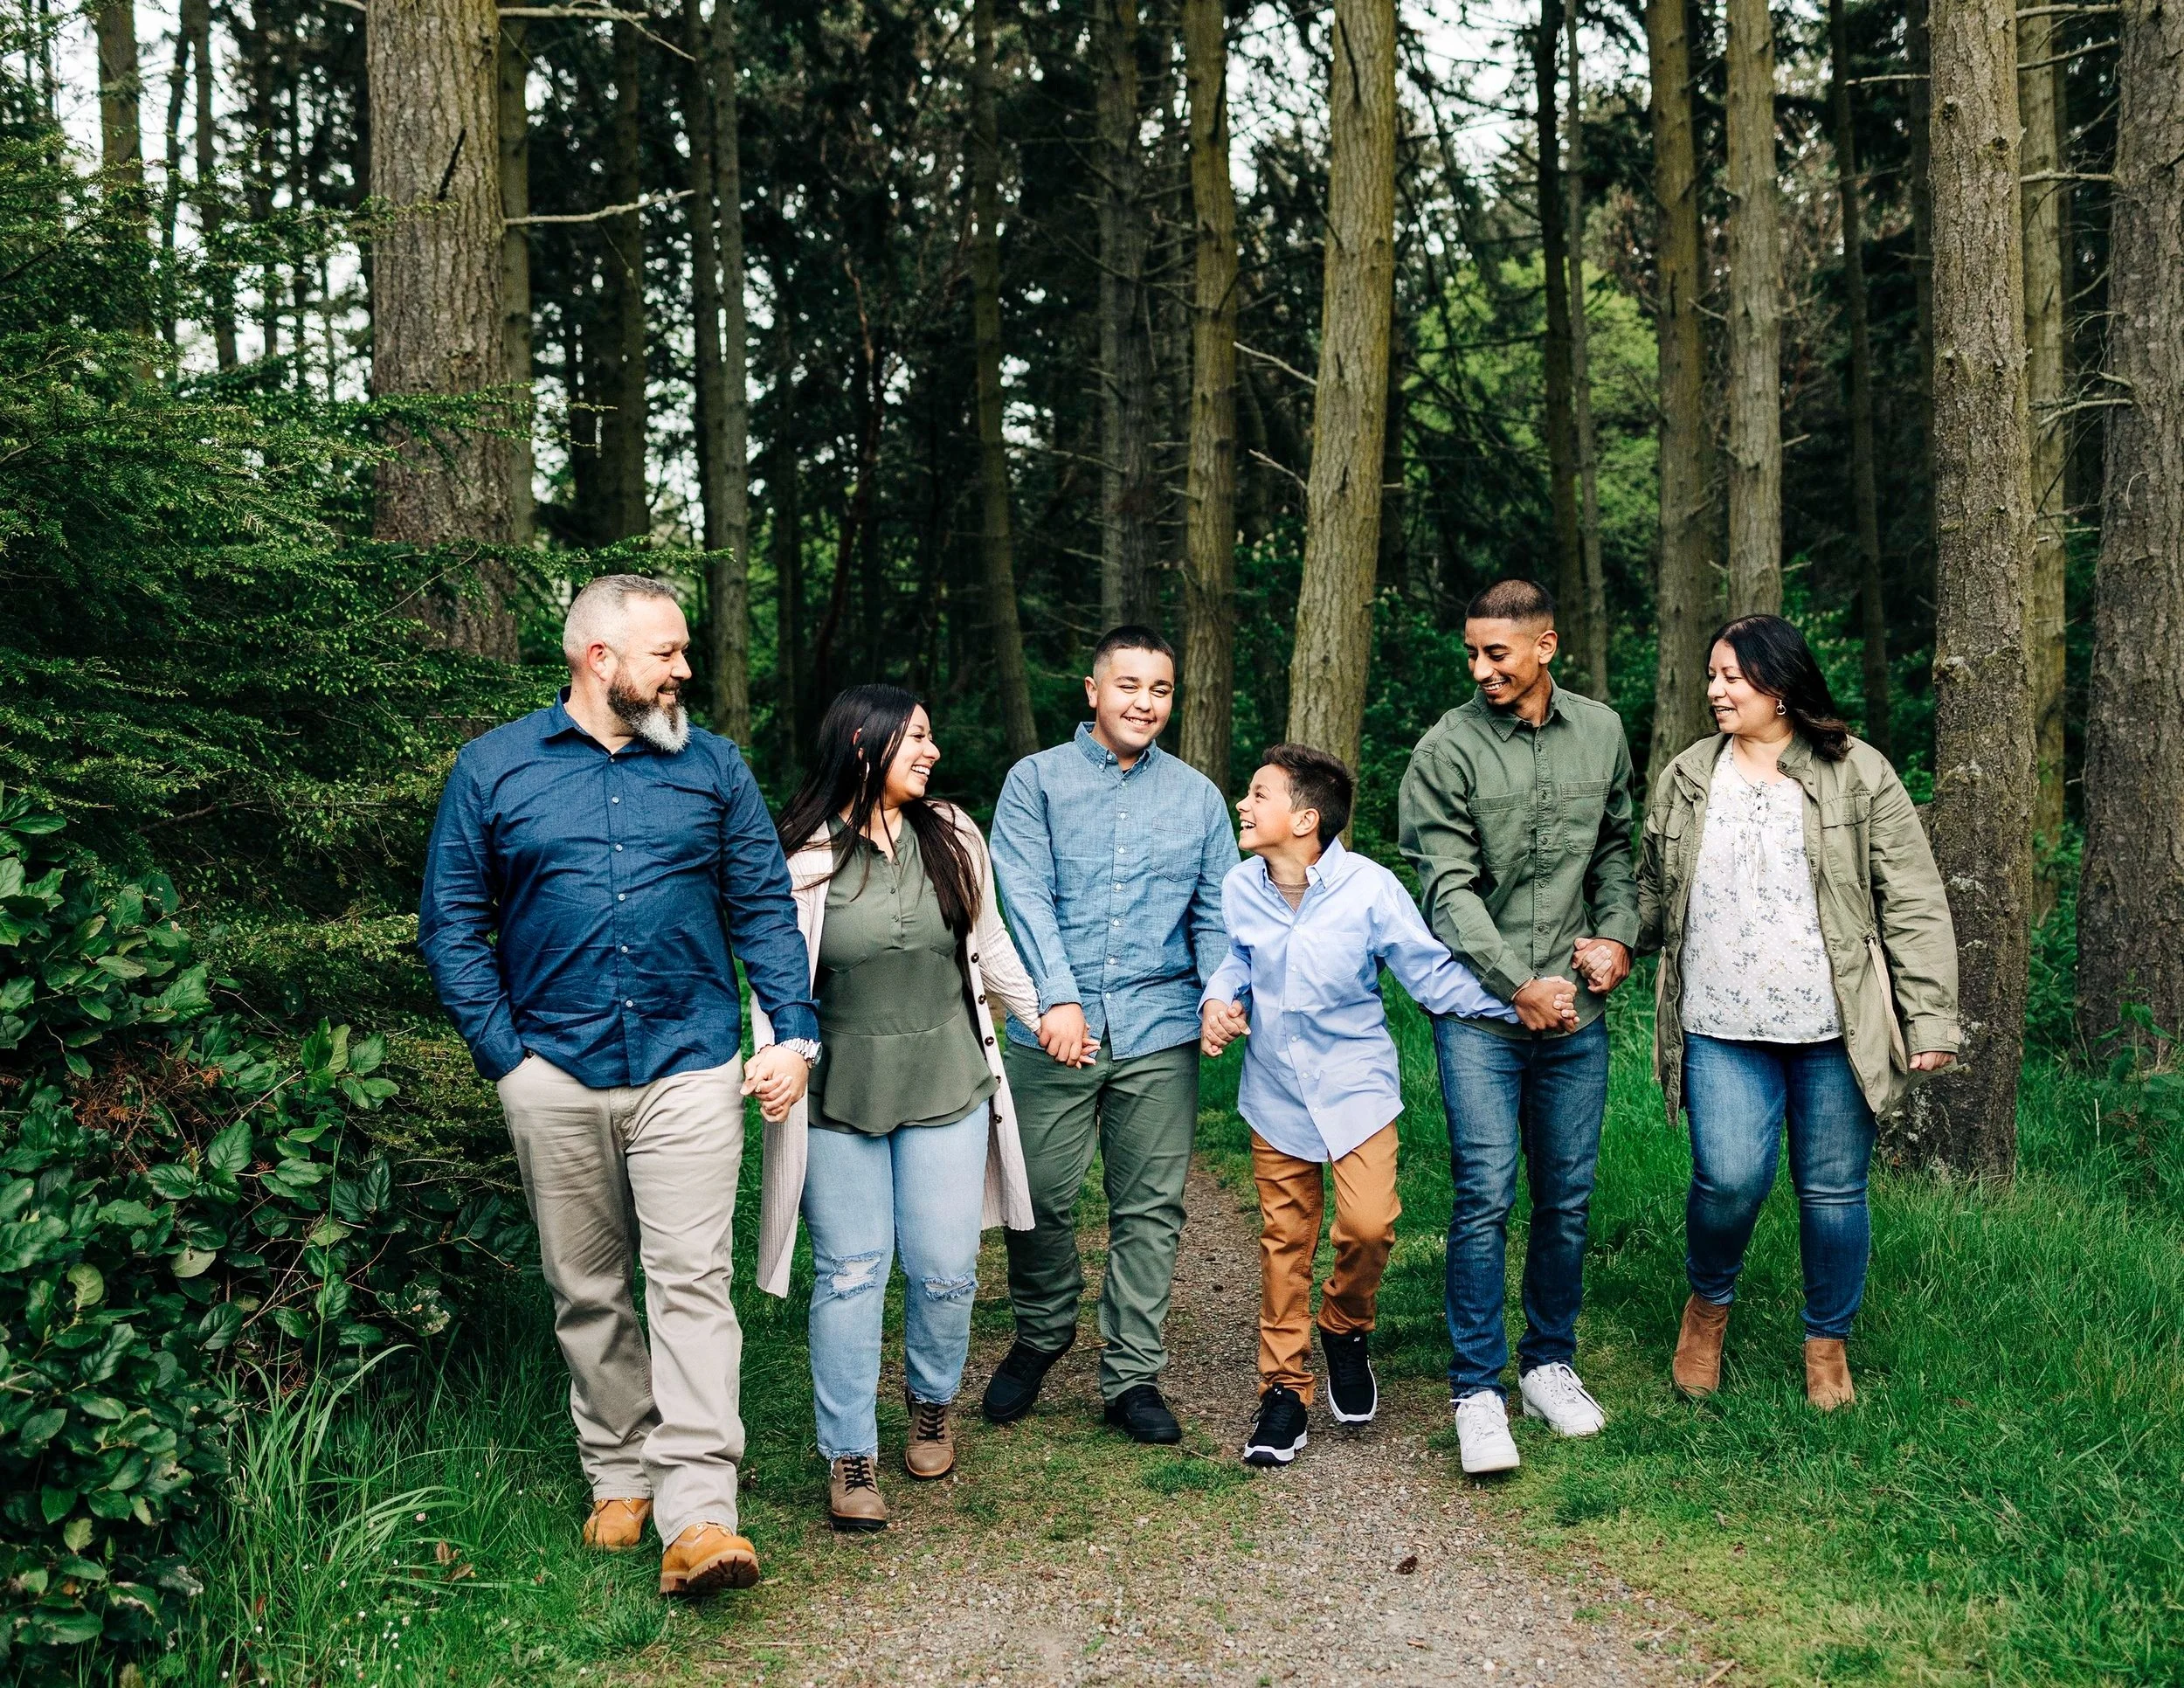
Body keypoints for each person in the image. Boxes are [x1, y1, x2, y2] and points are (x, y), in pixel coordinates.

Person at [418, 575, 819, 1598]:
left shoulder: (714, 768)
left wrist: (792, 1034)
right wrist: (509, 1061)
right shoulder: (493, 770)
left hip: (689, 1062)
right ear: (600, 659)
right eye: (667, 654)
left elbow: (764, 910)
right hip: (553, 1068)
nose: (685, 670)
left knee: (691, 1285)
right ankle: (620, 1471)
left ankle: (698, 1512)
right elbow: (453, 924)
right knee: (587, 1289)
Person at [1636, 615, 1959, 1410]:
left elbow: (1911, 899)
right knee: (1729, 1181)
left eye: (1731, 677)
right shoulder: (1687, 777)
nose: (1715, 691)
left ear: (1778, 686)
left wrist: (1929, 1020)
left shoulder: (1859, 773)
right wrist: (1609, 943)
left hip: (1835, 1026)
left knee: (1834, 1192)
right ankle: (1707, 1309)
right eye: (1712, 676)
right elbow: (1647, 887)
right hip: (1719, 1020)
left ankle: (1827, 1347)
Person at [749, 687, 1040, 1532]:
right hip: (840, 1094)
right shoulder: (801, 855)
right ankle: (850, 1455)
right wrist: (776, 1058)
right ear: (863, 742)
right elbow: (776, 979)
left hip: (946, 1079)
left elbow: (987, 947)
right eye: (918, 737)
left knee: (947, 1269)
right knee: (849, 1273)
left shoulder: (951, 834)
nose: (933, 751)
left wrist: (1045, 1016)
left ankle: (931, 1402)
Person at [1200, 745, 1518, 1467]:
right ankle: (1283, 1391)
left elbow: (1429, 973)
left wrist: (1514, 1008)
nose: (1243, 805)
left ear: (1305, 819)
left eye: (1258, 795)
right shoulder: (1239, 887)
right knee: (1286, 1244)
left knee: (1369, 1227)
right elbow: (1236, 959)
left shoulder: (1371, 889)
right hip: (1276, 1093)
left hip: (1355, 1091)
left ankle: (1345, 1325)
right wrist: (1220, 999)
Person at [1397, 577, 1637, 1476]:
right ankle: (1475, 1390)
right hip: (1481, 1017)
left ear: (1545, 646)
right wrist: (1515, 984)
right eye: (1472, 654)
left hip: (1577, 1014)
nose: (1480, 669)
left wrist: (1617, 933)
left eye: (1496, 653)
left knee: (1566, 1199)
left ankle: (1547, 1363)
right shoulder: (1445, 748)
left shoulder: (1602, 730)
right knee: (1483, 1197)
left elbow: (1617, 845)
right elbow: (1444, 887)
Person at [981, 626, 1237, 1443]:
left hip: (1158, 1029)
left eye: (1160, 690)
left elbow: (1213, 913)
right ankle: (1044, 1329)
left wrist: (1220, 993)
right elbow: (1023, 894)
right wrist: (1055, 1002)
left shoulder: (1196, 798)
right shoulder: (1035, 783)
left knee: (1150, 1210)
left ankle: (1131, 1377)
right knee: (1039, 1198)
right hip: (1054, 1030)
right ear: (1093, 691)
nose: (1144, 703)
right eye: (1128, 686)